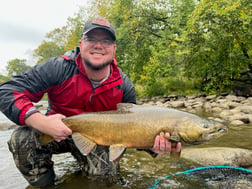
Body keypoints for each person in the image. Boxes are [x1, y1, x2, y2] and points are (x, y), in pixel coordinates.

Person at [0, 17, 181, 187]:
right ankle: (46, 185)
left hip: (98, 139)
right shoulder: (57, 69)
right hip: (56, 131)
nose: (98, 46)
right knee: (21, 138)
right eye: (91, 39)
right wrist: (41, 121)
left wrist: (156, 146)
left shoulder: (124, 87)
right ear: (81, 44)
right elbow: (6, 91)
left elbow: (132, 131)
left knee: (105, 179)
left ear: (114, 48)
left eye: (106, 41)